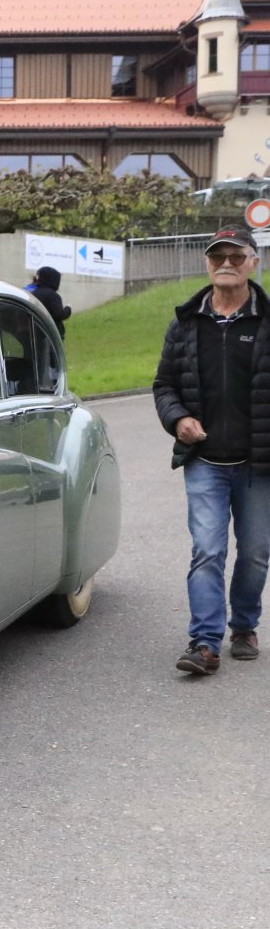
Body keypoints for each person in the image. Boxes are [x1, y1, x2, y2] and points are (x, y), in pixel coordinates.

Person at [154, 223, 270, 676]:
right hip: (205, 462)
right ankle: (204, 641)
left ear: (253, 262)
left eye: (236, 256)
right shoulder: (186, 323)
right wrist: (177, 419)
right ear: (207, 263)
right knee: (207, 550)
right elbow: (165, 384)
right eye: (218, 256)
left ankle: (243, 626)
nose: (226, 264)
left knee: (255, 552)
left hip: (259, 463)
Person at [31, 266, 72, 338]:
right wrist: (68, 309)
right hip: (50, 334)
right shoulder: (53, 296)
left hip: (35, 331)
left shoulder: (34, 293)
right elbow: (59, 314)